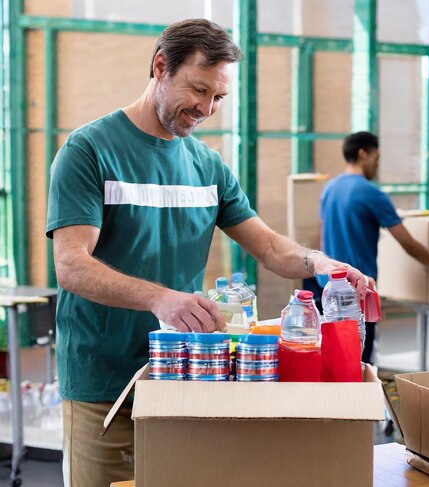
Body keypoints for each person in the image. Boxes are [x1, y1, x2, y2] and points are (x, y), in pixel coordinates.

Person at [46, 19, 369, 487]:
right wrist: (161, 298)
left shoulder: (208, 166)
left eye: (219, 97)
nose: (207, 108)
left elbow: (271, 247)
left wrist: (321, 263)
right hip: (104, 379)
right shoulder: (90, 150)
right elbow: (72, 266)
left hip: (188, 376)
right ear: (160, 66)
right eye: (199, 90)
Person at [318, 131, 429, 364]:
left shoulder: (330, 189)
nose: (377, 163)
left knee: (333, 359)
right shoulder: (371, 192)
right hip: (357, 292)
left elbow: (323, 233)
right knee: (360, 362)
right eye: (376, 156)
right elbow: (407, 243)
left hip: (326, 290)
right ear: (363, 153)